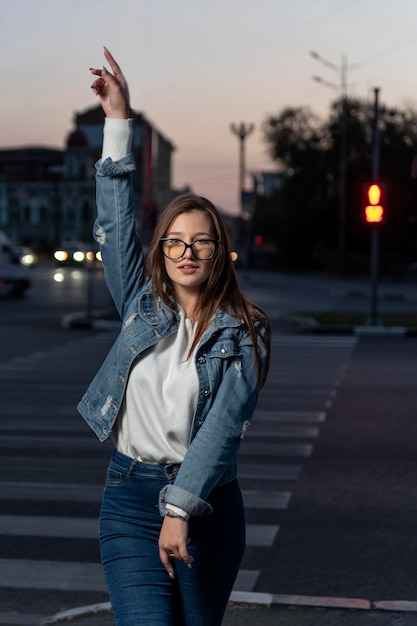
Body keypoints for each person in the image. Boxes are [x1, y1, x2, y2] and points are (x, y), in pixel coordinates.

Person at [78, 47, 271, 626]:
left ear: (221, 251)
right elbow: (115, 226)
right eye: (174, 241)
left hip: (206, 507)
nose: (187, 252)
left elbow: (222, 431)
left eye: (202, 241)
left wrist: (181, 509)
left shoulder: (245, 331)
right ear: (161, 251)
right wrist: (118, 118)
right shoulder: (142, 303)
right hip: (129, 497)